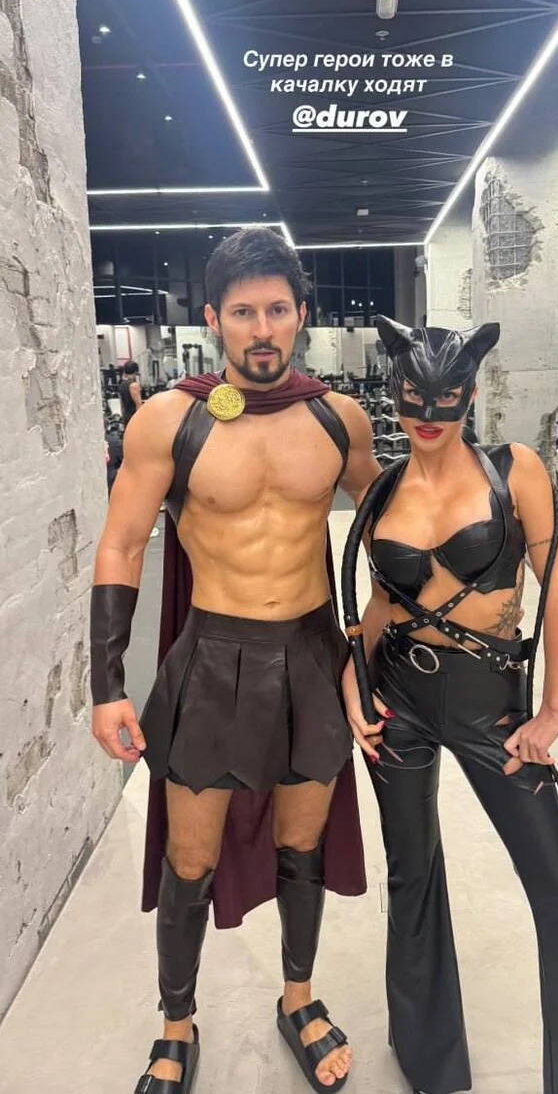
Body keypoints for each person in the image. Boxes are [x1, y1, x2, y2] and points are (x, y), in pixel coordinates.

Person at [340, 317, 558, 1094]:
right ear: (395, 391)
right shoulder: (384, 488)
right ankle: (430, 1063)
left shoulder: (513, 470)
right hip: (398, 697)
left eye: (446, 397)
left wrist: (552, 710)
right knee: (410, 875)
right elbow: (379, 604)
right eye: (413, 396)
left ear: (471, 391)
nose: (428, 414)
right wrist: (353, 681)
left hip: (493, 703)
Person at [90, 228, 380, 1093]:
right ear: (213, 319)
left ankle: (298, 998)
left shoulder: (338, 418)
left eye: (277, 310)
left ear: (301, 315)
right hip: (213, 659)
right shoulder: (167, 419)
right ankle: (176, 1024)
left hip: (310, 655)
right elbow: (121, 545)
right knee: (190, 857)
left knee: (303, 844)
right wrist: (107, 684)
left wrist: (380, 647)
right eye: (244, 312)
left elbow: (392, 528)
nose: (262, 329)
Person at [119, 359, 143, 428]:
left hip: (126, 416)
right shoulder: (134, 385)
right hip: (134, 417)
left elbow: (122, 404)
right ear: (135, 371)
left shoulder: (121, 384)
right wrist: (140, 420)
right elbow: (138, 404)